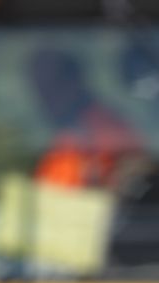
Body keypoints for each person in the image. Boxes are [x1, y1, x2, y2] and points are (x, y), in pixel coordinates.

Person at [31, 48, 144, 191]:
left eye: (50, 88)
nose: (45, 98)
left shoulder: (109, 131)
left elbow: (131, 185)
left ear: (73, 83)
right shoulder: (63, 134)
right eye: (40, 89)